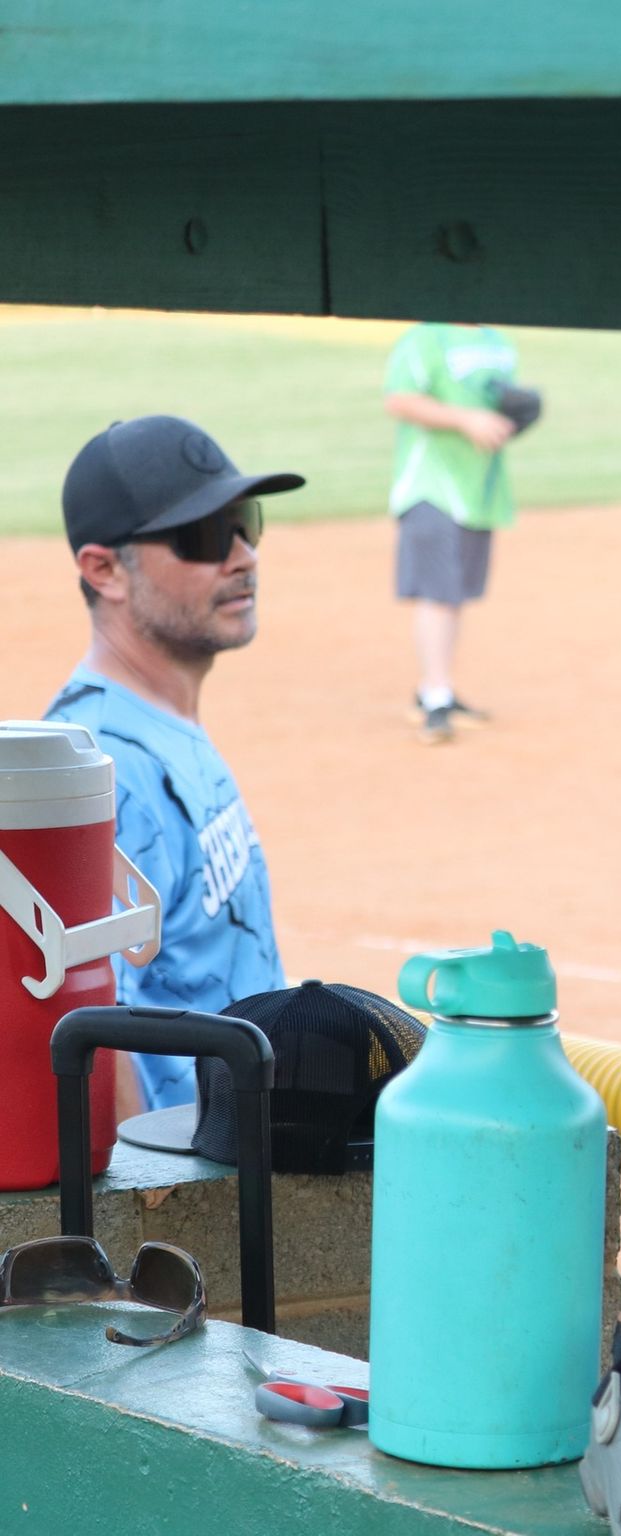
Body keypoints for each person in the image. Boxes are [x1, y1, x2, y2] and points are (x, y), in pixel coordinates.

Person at [44, 416, 304, 1111]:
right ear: (105, 570)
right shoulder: (102, 771)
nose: (243, 556)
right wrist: (141, 1212)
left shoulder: (156, 722)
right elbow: (82, 1038)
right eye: (205, 537)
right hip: (178, 1196)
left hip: (225, 1162)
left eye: (245, 524)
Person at [383, 322, 525, 744]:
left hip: (479, 490)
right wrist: (465, 418)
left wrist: (513, 419)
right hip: (431, 485)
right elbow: (400, 399)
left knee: (455, 593)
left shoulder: (497, 341)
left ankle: (437, 686)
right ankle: (435, 697)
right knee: (437, 593)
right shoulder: (426, 338)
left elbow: (494, 406)